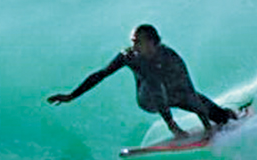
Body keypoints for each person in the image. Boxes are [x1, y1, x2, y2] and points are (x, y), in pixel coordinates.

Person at [48, 24, 236, 138]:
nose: (133, 46)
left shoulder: (171, 58)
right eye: (132, 41)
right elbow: (101, 74)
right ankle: (173, 127)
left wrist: (207, 124)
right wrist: (72, 95)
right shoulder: (128, 56)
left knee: (219, 115)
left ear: (154, 43)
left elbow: (189, 92)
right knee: (154, 79)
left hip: (173, 95)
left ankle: (228, 114)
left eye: (138, 42)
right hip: (148, 99)